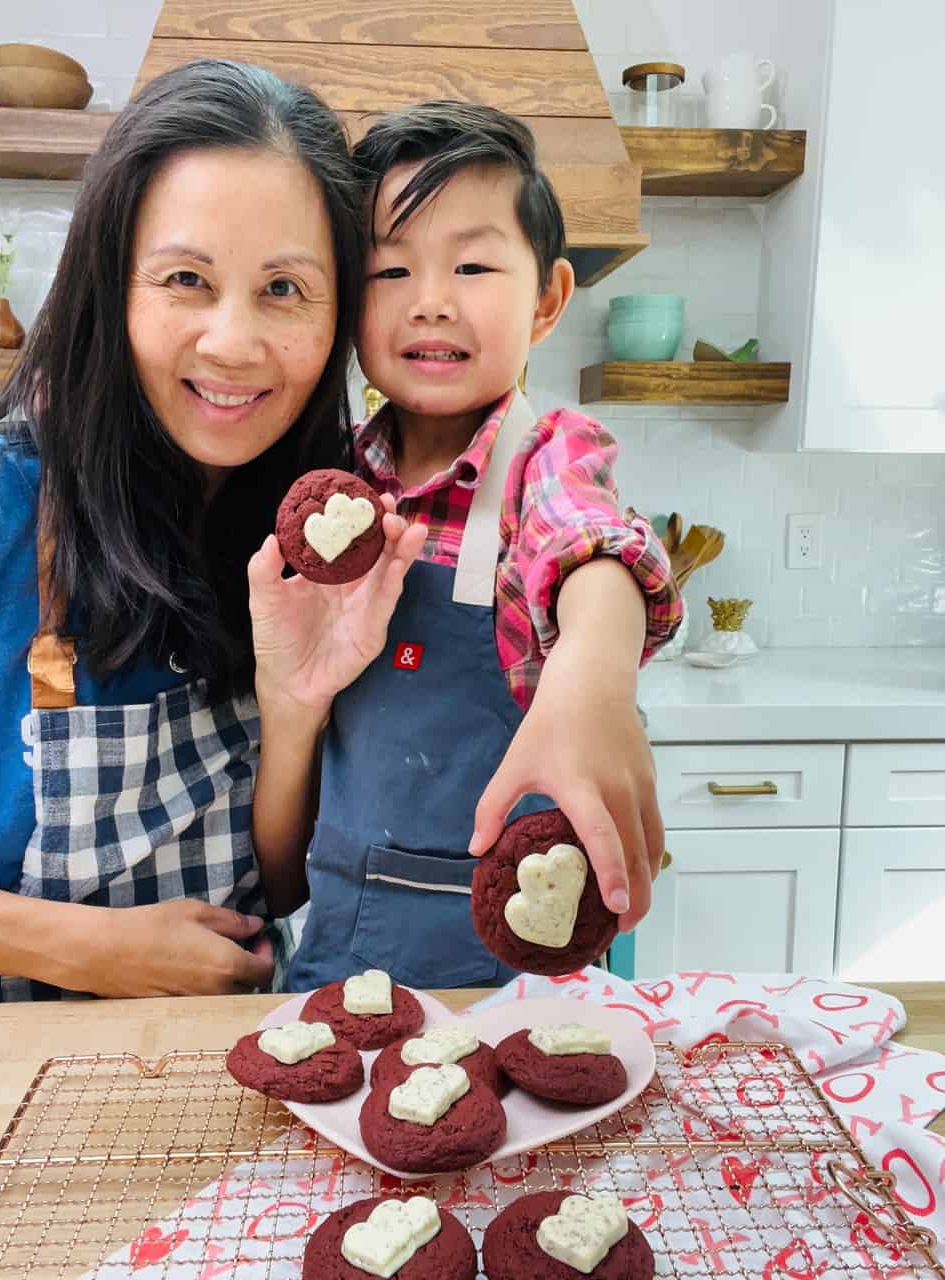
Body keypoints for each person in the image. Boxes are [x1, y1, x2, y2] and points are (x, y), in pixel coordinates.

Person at [0, 60, 425, 1002]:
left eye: (284, 288)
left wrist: (295, 707)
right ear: (109, 288)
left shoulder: (324, 534)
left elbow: (277, 883)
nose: (234, 342)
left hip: (231, 1081)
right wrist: (80, 947)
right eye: (186, 279)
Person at [272, 101, 682, 992]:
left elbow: (593, 547)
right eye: (389, 269)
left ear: (547, 299)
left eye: (472, 263)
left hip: (522, 965)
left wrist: (591, 680)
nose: (431, 300)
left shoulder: (548, 457)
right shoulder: (332, 487)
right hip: (343, 950)